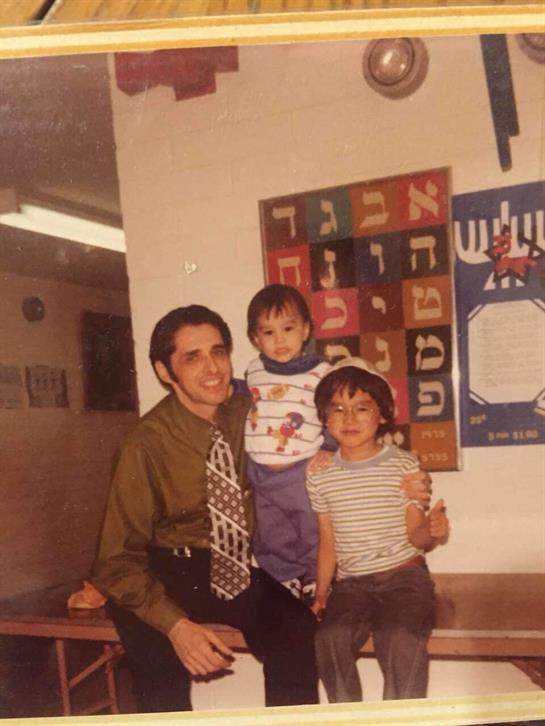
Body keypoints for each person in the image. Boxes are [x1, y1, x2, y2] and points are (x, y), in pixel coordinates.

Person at [92, 305, 320, 712]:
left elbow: (330, 391)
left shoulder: (248, 409)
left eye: (219, 352)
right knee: (161, 677)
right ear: (165, 371)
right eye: (192, 358)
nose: (213, 368)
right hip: (155, 571)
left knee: (297, 631)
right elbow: (115, 563)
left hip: (227, 566)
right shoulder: (143, 446)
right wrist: (176, 627)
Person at [307, 357, 450, 703]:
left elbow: (416, 536)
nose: (349, 418)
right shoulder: (319, 473)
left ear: (382, 415)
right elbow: (328, 542)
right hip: (352, 585)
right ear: (325, 418)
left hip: (404, 578)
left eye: (361, 408)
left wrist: (433, 530)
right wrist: (322, 594)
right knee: (329, 638)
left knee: (399, 639)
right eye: (338, 409)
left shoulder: (404, 464)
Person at [244, 284, 332, 601]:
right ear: (256, 338)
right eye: (268, 332)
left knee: (309, 527)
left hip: (299, 469)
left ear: (305, 329)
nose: (279, 340)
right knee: (269, 531)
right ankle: (282, 577)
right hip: (261, 471)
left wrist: (329, 447)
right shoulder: (254, 371)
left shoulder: (321, 372)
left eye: (288, 329)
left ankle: (313, 575)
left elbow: (334, 410)